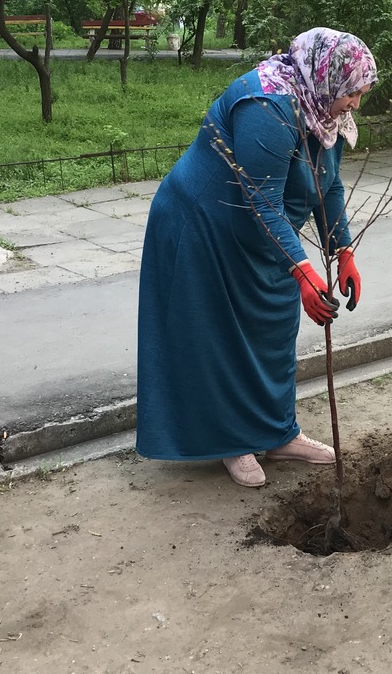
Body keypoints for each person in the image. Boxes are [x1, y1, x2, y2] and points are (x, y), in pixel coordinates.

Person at [135, 28, 378, 488]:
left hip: (263, 228)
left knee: (273, 324)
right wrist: (302, 269)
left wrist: (341, 249)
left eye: (360, 94)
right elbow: (260, 199)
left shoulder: (324, 107)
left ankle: (277, 432)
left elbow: (328, 185)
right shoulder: (267, 105)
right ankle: (233, 441)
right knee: (219, 335)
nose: (355, 105)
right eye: (352, 94)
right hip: (205, 223)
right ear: (327, 79)